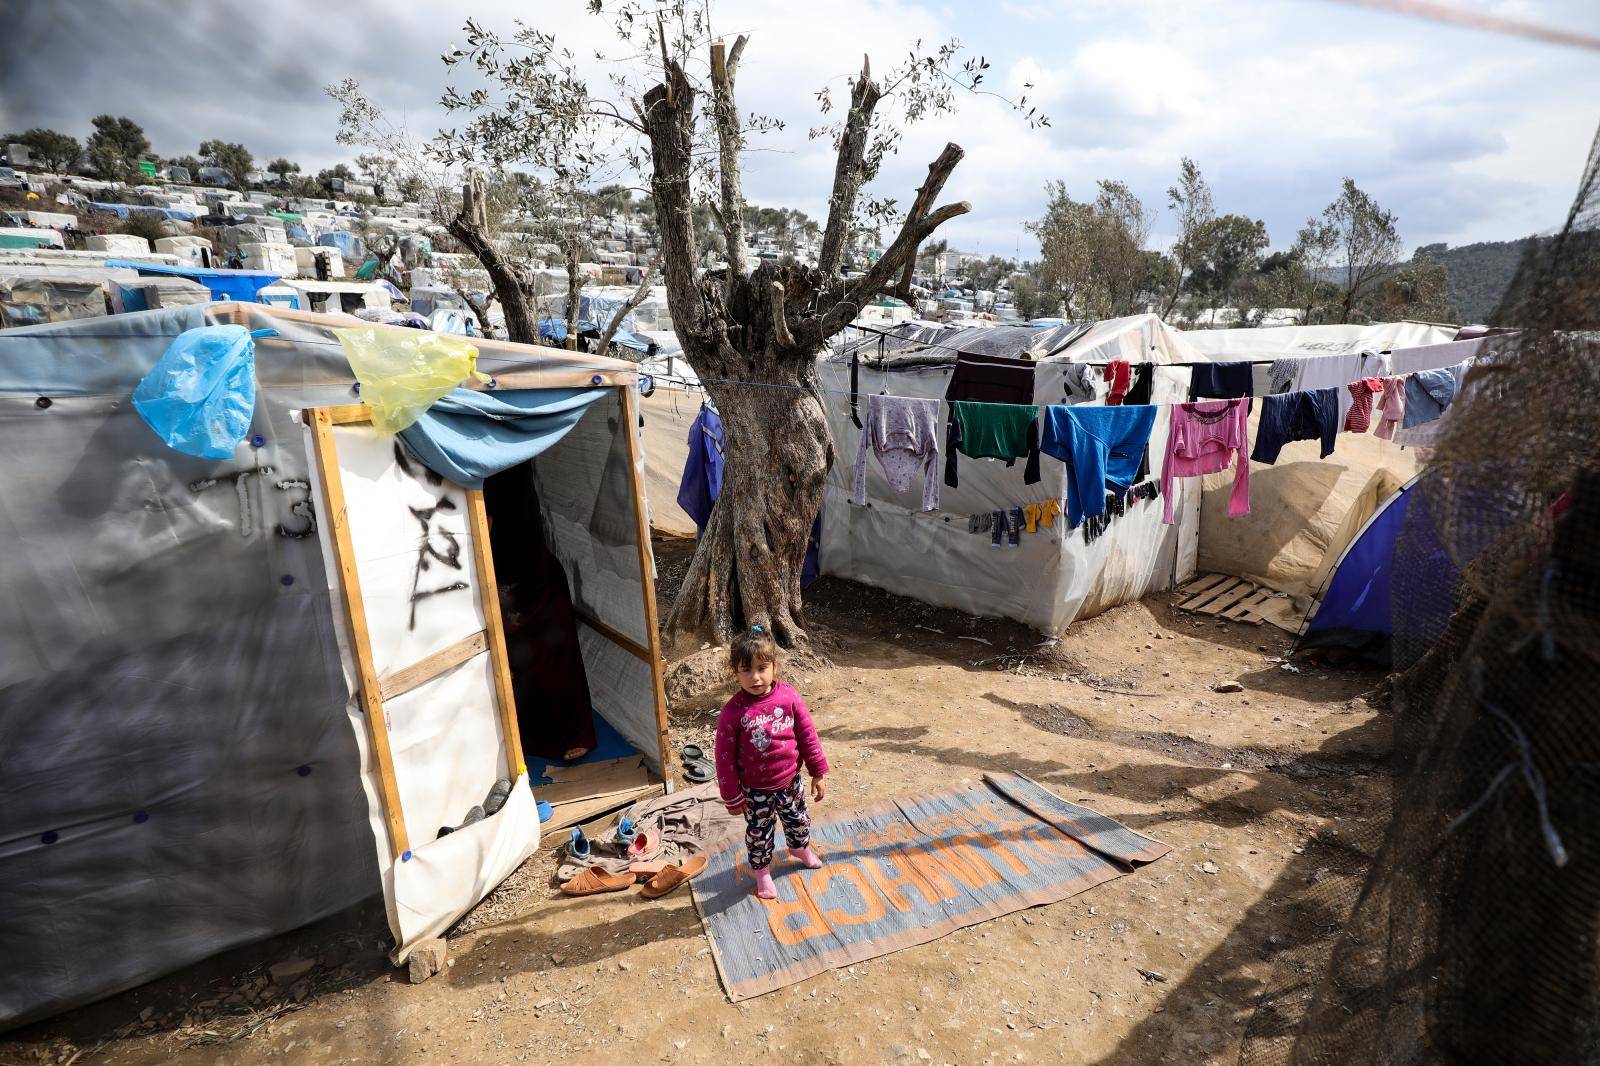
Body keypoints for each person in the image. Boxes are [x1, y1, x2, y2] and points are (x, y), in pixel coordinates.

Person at [714, 626, 830, 900]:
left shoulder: (789, 697)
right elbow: (724, 757)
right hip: (755, 791)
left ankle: (799, 848)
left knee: (799, 821)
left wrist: (818, 771)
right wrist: (731, 795)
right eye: (746, 670)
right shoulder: (733, 712)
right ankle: (762, 872)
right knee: (759, 833)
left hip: (790, 782)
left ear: (774, 666)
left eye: (762, 668)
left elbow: (807, 735)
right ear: (735, 672)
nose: (755, 677)